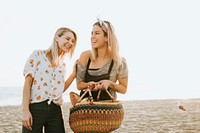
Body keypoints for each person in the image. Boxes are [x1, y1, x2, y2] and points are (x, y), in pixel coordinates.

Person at [21, 27, 77, 133]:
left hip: (55, 110)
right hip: (36, 108)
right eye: (67, 38)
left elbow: (59, 89)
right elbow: (27, 84)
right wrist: (25, 111)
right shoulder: (37, 55)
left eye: (72, 41)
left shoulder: (63, 66)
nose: (70, 43)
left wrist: (73, 74)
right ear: (57, 38)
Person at [70, 18, 128, 105]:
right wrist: (88, 85)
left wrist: (110, 84)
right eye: (92, 33)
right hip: (85, 108)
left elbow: (123, 89)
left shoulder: (119, 61)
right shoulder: (85, 56)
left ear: (107, 37)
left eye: (97, 33)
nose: (92, 36)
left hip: (107, 109)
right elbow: (79, 85)